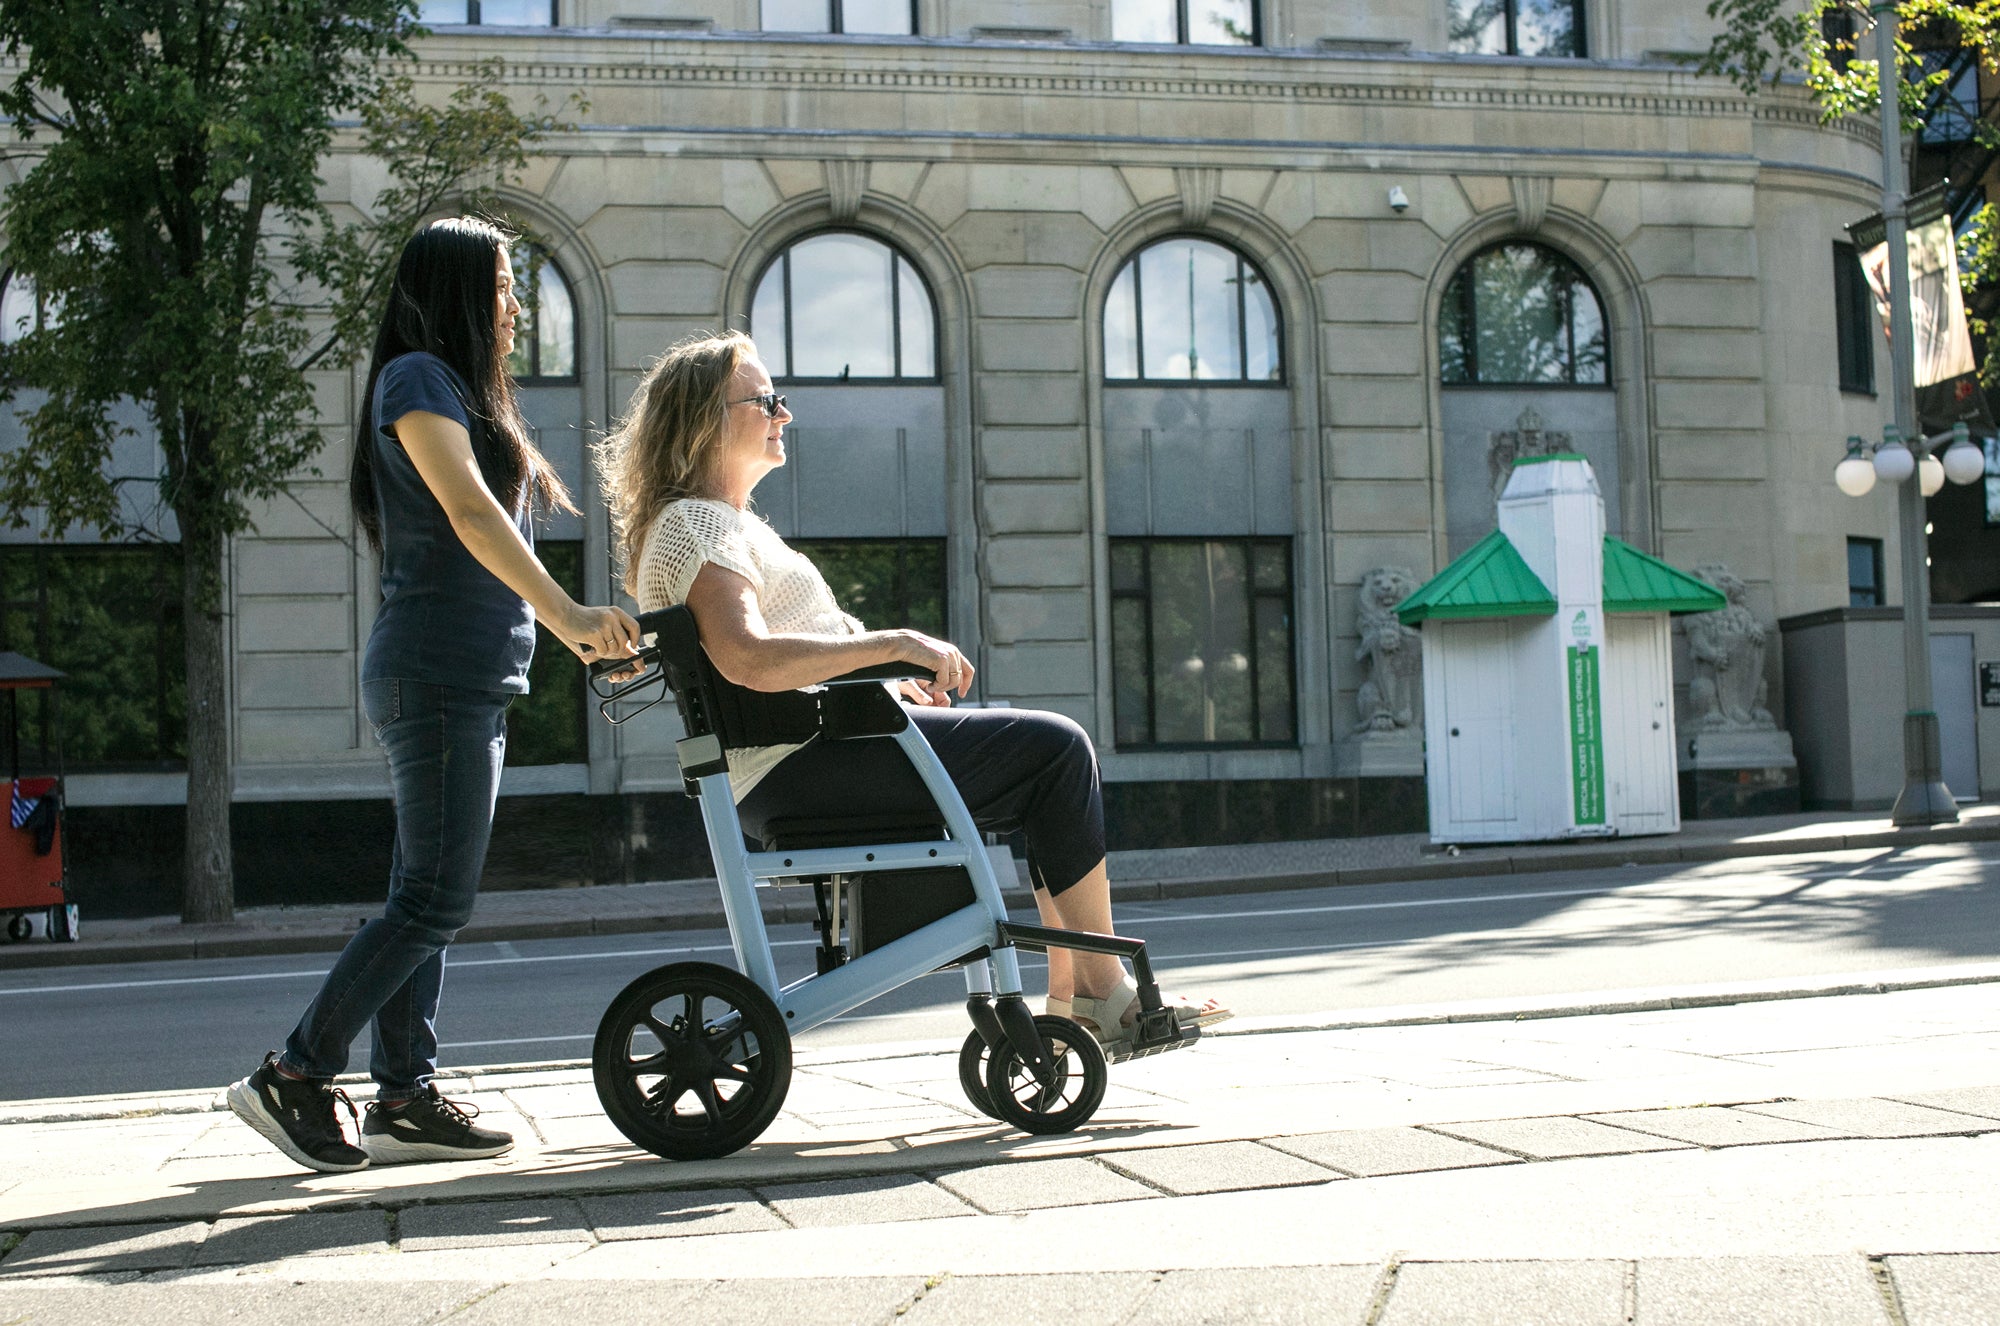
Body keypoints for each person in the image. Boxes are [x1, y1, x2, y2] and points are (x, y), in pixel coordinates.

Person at [595, 331, 1228, 1049]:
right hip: (808, 767)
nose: (784, 414)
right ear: (708, 417)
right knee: (1057, 751)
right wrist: (894, 645)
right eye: (768, 400)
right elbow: (748, 659)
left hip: (812, 759)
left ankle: (1078, 996)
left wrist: (884, 679)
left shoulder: (718, 523)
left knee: (1044, 772)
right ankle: (1096, 994)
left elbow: (775, 662)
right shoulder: (695, 523)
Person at [227, 218, 640, 1174]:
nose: (514, 302)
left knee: (420, 894)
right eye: (501, 283)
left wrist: (572, 635)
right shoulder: (416, 376)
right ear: (452, 289)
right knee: (435, 902)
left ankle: (405, 1095)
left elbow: (493, 533)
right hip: (434, 670)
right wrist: (571, 613)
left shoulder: (460, 390)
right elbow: (467, 511)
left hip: (466, 673)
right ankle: (295, 1073)